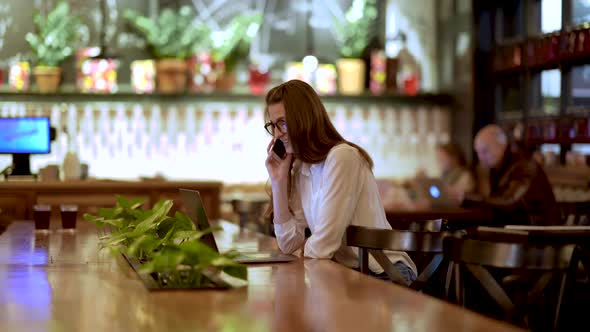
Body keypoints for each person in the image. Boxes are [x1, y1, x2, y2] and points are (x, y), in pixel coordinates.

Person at [264, 80, 417, 285]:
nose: (277, 134)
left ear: (304, 119)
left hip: (386, 273)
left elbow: (324, 245)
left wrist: (305, 250)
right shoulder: (304, 168)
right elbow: (288, 243)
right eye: (273, 126)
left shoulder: (342, 157)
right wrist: (278, 180)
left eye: (282, 123)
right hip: (351, 274)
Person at [450, 124, 558, 225]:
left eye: (485, 151)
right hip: (514, 225)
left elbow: (509, 201)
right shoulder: (495, 168)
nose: (481, 157)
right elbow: (496, 202)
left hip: (537, 229)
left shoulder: (525, 164)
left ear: (502, 145)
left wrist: (467, 198)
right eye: (478, 152)